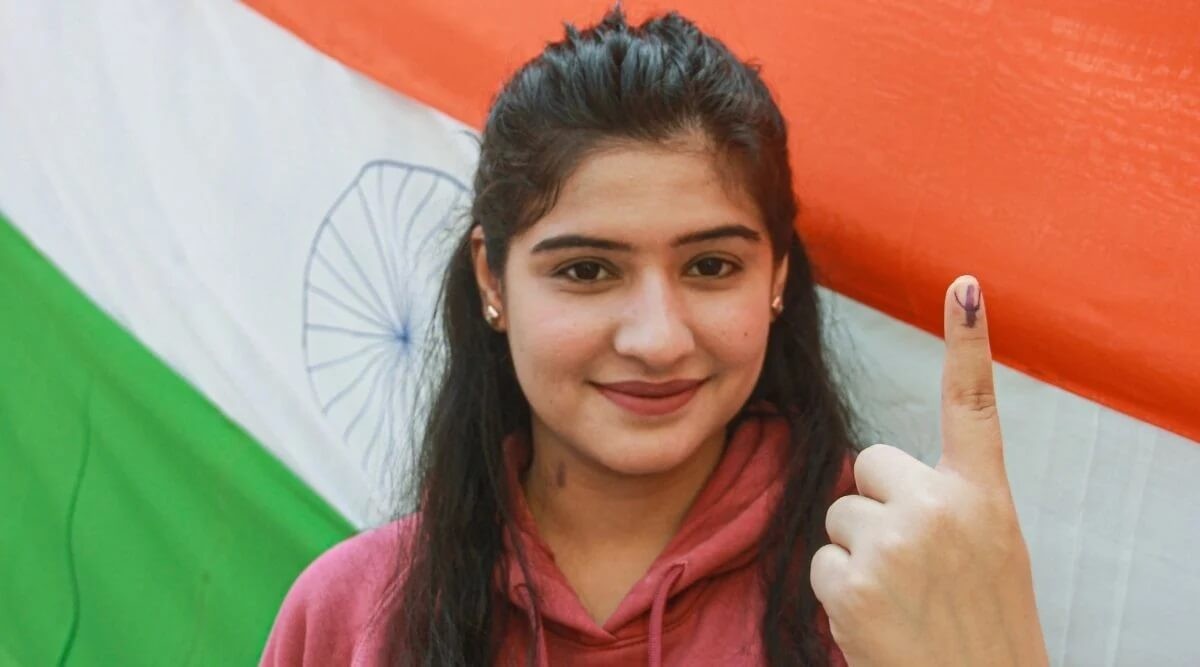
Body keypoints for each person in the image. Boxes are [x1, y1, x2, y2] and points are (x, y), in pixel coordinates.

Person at [260, 7, 1047, 666]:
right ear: (492, 280)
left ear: (776, 275)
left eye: (710, 265)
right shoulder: (349, 615)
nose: (658, 339)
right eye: (587, 271)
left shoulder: (895, 593)